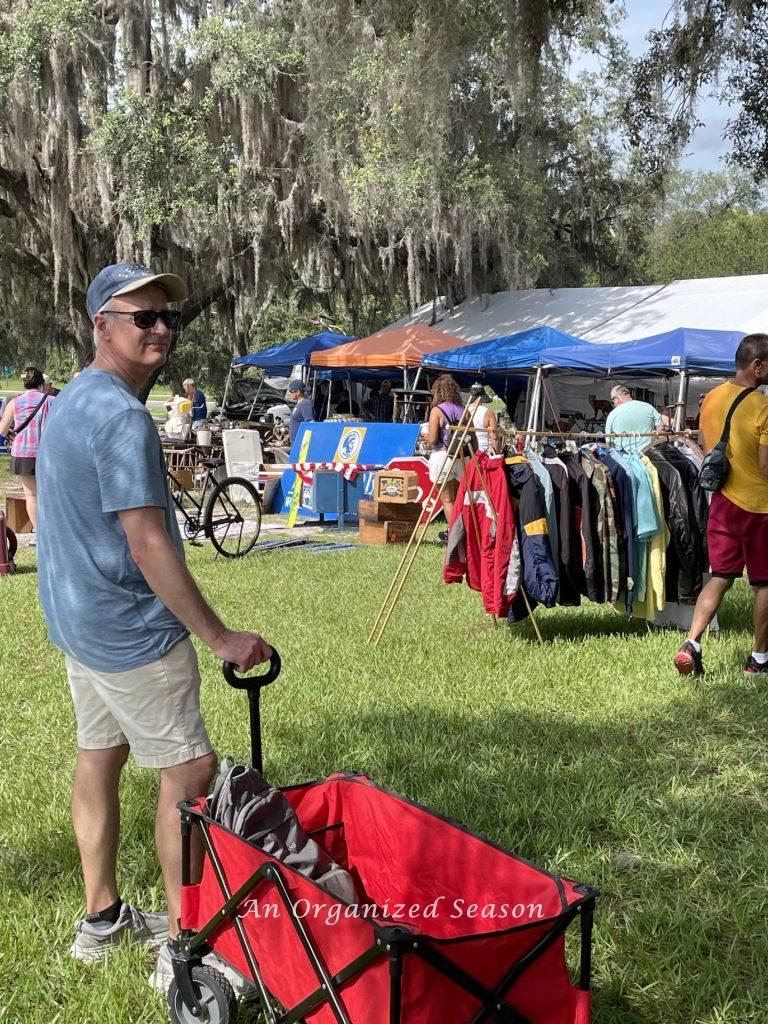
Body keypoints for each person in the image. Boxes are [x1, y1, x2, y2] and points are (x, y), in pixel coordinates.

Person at [35, 262, 273, 988]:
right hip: (133, 634)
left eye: (169, 318)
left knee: (98, 755)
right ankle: (187, 949)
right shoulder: (117, 415)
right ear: (100, 324)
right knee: (191, 774)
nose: (162, 329)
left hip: (83, 628)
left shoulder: (72, 399)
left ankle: (101, 919)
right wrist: (221, 637)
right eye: (143, 317)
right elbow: (148, 542)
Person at [674, 333, 768, 678]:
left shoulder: (711, 398)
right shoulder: (763, 406)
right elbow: (764, 467)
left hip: (722, 503)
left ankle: (692, 644)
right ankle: (759, 659)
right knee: (764, 583)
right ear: (757, 366)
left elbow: (710, 448)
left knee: (720, 578)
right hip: (760, 508)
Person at [0, 366, 54, 541]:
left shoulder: (14, 402)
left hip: (23, 453)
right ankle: (53, 529)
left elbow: (2, 430)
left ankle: (40, 534)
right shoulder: (51, 401)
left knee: (31, 495)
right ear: (41, 383)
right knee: (50, 493)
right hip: (48, 453)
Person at [427, 374, 466, 532]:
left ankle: (455, 536)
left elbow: (433, 439)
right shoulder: (463, 410)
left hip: (442, 456)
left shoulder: (437, 411)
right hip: (460, 457)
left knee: (447, 500)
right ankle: (463, 533)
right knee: (458, 500)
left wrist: (427, 438)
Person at [604, 384, 663, 451]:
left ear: (617, 399)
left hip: (623, 457)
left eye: (612, 400)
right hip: (648, 455)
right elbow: (660, 428)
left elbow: (609, 441)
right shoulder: (649, 407)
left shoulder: (613, 414)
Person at [468, 382, 500, 453]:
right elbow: (494, 437)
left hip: (469, 450)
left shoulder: (464, 410)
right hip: (485, 452)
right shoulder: (488, 412)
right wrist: (497, 454)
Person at [287, 379, 314, 444]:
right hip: (295, 442)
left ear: (298, 392)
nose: (289, 393)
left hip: (301, 443)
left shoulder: (305, 404)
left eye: (291, 391)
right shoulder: (299, 403)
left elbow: (310, 423)